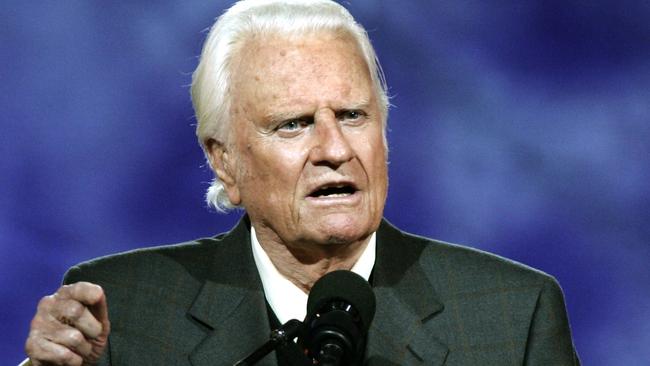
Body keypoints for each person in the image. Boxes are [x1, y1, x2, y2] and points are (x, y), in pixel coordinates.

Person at [23, 0, 580, 365]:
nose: (335, 149)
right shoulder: (120, 314)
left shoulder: (513, 317)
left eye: (354, 116)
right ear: (225, 163)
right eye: (293, 124)